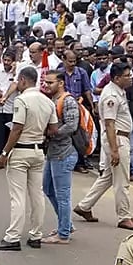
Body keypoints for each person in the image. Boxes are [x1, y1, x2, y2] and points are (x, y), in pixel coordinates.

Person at [0, 65, 57, 251]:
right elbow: (53, 129)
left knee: (18, 196)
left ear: (23, 80)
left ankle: (13, 236)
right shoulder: (47, 101)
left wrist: (4, 153)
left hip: (21, 150)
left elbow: (16, 128)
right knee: (37, 195)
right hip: (38, 151)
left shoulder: (22, 100)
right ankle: (36, 235)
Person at [75, 61, 133, 229]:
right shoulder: (111, 95)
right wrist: (115, 150)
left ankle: (84, 206)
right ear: (117, 78)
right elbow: (109, 124)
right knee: (121, 180)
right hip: (117, 138)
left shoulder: (119, 91)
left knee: (107, 178)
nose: (130, 78)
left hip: (118, 137)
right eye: (126, 75)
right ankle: (124, 216)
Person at [44, 69, 80, 244]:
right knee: (48, 189)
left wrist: (52, 133)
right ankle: (66, 224)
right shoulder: (52, 100)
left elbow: (72, 125)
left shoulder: (68, 101)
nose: (46, 85)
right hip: (53, 153)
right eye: (45, 82)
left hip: (63, 153)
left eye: (50, 82)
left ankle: (63, 233)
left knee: (62, 195)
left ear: (60, 83)